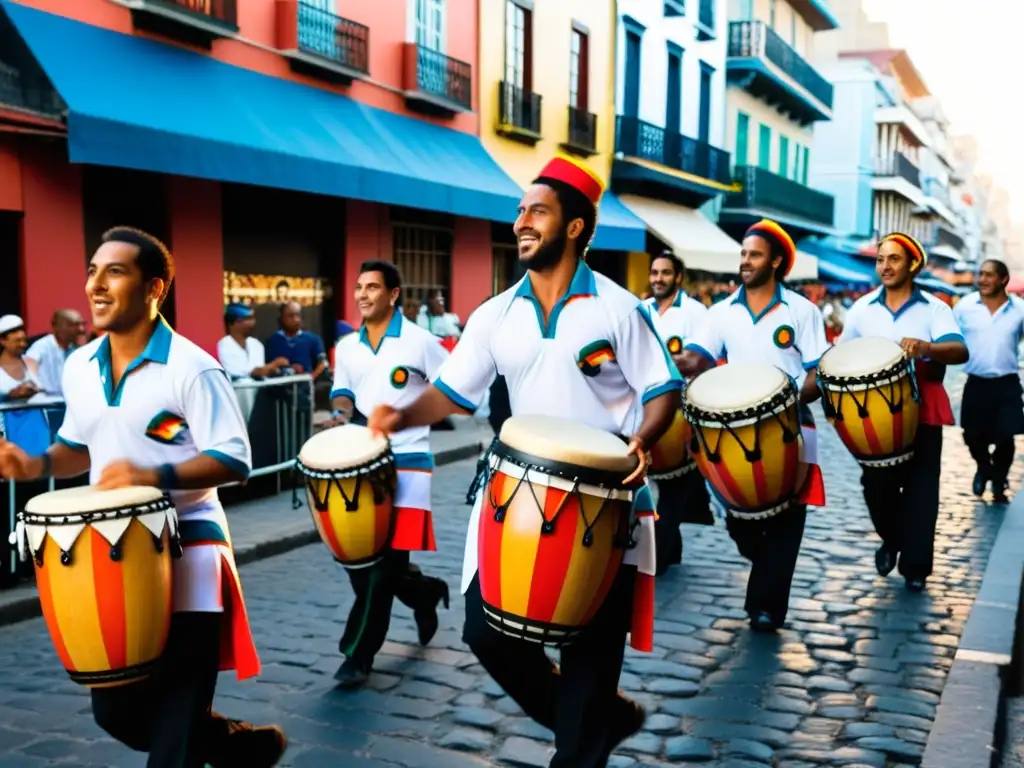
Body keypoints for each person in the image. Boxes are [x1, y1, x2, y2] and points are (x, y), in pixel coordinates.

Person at [368, 156, 682, 767]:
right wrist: (399, 415)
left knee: (590, 652)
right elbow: (453, 391)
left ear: (574, 226)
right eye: (519, 211)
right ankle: (596, 716)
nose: (520, 222)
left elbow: (661, 389)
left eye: (536, 210)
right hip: (516, 498)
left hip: (607, 502)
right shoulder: (494, 314)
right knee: (486, 635)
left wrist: (642, 440)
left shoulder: (619, 308)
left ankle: (587, 727)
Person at [0, 227, 287, 767]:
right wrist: (32, 465)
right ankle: (237, 746)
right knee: (116, 712)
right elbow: (75, 449)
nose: (96, 286)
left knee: (176, 719)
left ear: (154, 288)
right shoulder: (82, 367)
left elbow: (235, 459)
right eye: (92, 271)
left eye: (115, 272)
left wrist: (152, 473)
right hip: (111, 555)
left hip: (193, 546)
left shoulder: (192, 366)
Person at [679, 219, 828, 632]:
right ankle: (764, 567)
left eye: (754, 254)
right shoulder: (721, 312)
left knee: (789, 516)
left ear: (776, 261)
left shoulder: (802, 311)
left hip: (794, 423)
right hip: (732, 430)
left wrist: (794, 396)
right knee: (739, 519)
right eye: (743, 254)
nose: (745, 261)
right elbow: (698, 358)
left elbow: (820, 373)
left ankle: (766, 607)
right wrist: (665, 362)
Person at [323, 260, 451, 690]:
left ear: (393, 294)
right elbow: (343, 393)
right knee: (364, 565)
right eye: (358, 287)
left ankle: (357, 655)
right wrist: (340, 417)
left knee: (383, 567)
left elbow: (450, 387)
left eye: (372, 287)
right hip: (363, 461)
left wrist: (416, 412)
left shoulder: (422, 342)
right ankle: (425, 592)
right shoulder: (347, 347)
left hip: (411, 464)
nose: (362, 294)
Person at [836, 232, 968, 592]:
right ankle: (891, 538)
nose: (885, 266)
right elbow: (840, 354)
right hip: (873, 416)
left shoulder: (935, 308)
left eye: (893, 259)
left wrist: (927, 347)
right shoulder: (862, 308)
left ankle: (915, 567)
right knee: (874, 487)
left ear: (912, 264)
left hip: (922, 408)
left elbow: (959, 350)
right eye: (881, 259)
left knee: (922, 490)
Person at [643, 251, 713, 575]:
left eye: (665, 273)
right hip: (644, 408)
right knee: (661, 482)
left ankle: (658, 552)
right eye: (654, 272)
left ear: (678, 277)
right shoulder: (640, 310)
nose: (658, 278)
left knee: (676, 482)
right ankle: (670, 549)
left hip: (682, 411)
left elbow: (697, 362)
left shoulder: (696, 313)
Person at [953, 259, 1024, 502]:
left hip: (1007, 384)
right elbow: (950, 337)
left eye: (989, 275)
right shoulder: (964, 307)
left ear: (1003, 279)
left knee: (1006, 436)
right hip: (976, 382)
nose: (982, 279)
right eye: (980, 274)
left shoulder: (1019, 310)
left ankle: (999, 479)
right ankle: (984, 468)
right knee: (972, 435)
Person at [217, 303, 289, 381]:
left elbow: (261, 373)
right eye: (248, 319)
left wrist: (273, 370)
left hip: (258, 391)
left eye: (253, 318)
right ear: (235, 323)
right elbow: (247, 373)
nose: (253, 322)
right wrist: (274, 364)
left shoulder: (257, 344)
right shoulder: (224, 346)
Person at [24, 309, 87, 396]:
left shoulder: (75, 349)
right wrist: (38, 386)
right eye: (74, 325)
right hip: (46, 403)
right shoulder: (43, 346)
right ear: (56, 327)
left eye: (83, 324)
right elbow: (28, 364)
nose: (81, 329)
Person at [264, 301, 328, 380]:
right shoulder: (272, 341)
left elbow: (322, 363)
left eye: (298, 315)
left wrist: (311, 378)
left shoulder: (313, 339)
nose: (296, 319)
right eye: (291, 316)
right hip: (279, 386)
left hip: (305, 387)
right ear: (282, 318)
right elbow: (266, 367)